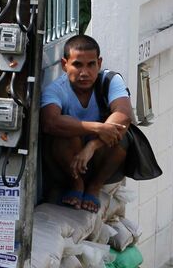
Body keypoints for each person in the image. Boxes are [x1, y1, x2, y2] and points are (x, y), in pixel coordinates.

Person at [40, 34, 133, 212]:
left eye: (91, 65)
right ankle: (76, 184)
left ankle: (94, 187)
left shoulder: (110, 81)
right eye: (77, 65)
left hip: (99, 158)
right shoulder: (55, 90)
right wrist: (98, 127)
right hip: (66, 163)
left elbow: (124, 115)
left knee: (122, 136)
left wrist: (91, 146)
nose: (85, 72)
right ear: (64, 65)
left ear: (99, 63)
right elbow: (50, 122)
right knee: (65, 134)